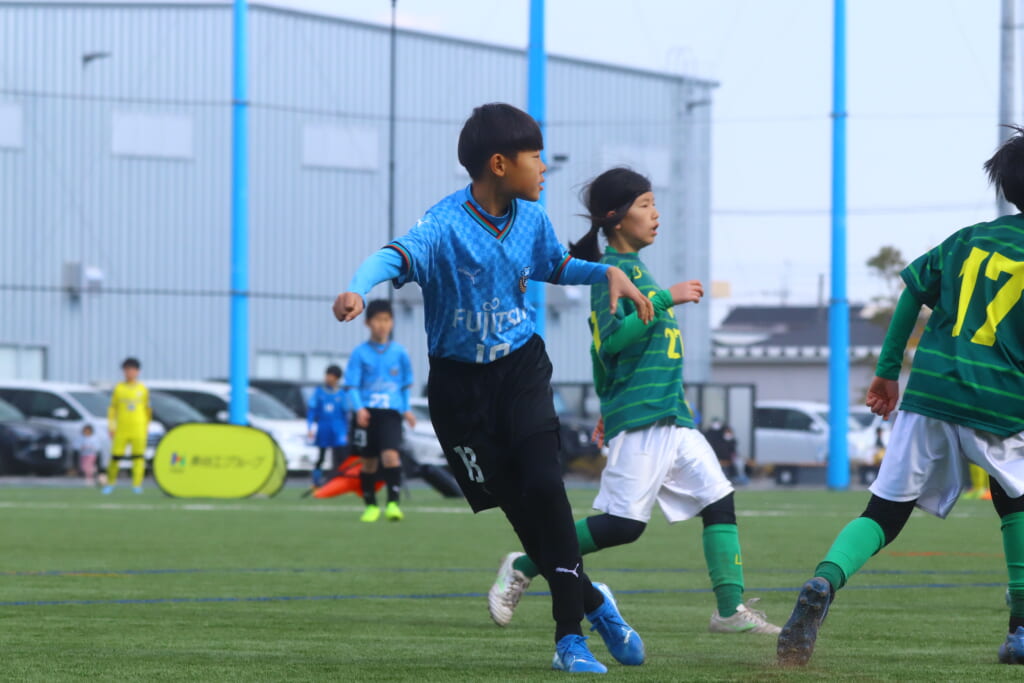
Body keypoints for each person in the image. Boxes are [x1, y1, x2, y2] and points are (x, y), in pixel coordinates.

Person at [332, 103, 655, 673]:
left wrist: (605, 270)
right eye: (536, 157)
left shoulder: (532, 219)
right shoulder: (444, 224)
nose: (544, 167)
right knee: (525, 516)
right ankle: (595, 601)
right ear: (500, 164)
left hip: (521, 371)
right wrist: (358, 288)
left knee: (546, 488)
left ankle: (569, 639)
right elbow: (393, 254)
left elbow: (556, 266)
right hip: (460, 393)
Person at [488, 167, 780, 638]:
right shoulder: (611, 273)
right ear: (616, 217)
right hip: (643, 420)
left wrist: (608, 403)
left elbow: (616, 356)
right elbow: (610, 342)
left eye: (653, 204)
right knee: (623, 526)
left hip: (673, 418)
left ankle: (729, 610)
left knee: (718, 499)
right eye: (645, 205)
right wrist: (664, 300)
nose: (655, 214)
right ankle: (523, 564)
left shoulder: (638, 270)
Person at [776, 127, 1024, 667]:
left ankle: (825, 580)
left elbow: (913, 288)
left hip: (929, 390)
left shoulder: (967, 239)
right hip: (1000, 398)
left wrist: (888, 371)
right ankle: (1021, 628)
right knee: (1017, 501)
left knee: (885, 511)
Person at [344, 300, 415, 523]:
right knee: (369, 462)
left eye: (386, 320)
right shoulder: (359, 353)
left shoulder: (400, 353)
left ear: (392, 323)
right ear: (368, 323)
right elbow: (352, 385)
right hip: (366, 414)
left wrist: (406, 409)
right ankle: (371, 506)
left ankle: (393, 504)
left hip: (390, 413)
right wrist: (359, 409)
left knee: (391, 456)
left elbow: (405, 385)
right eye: (377, 320)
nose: (382, 325)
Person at [103, 357, 151, 495]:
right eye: (127, 370)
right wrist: (111, 426)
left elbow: (147, 409)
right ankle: (110, 483)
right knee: (116, 456)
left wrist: (146, 426)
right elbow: (113, 409)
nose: (129, 373)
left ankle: (137, 485)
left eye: (132, 370)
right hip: (121, 428)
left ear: (138, 371)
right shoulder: (119, 388)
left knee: (138, 457)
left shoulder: (143, 389)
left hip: (138, 428)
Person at [306, 364, 349, 488]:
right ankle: (316, 482)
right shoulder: (319, 392)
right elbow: (312, 411)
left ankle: (339, 481)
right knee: (321, 456)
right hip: (323, 428)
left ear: (337, 378)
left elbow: (346, 414)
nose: (328, 378)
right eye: (327, 375)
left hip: (338, 429)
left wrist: (346, 432)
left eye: (331, 376)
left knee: (340, 457)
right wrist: (310, 428)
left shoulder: (342, 394)